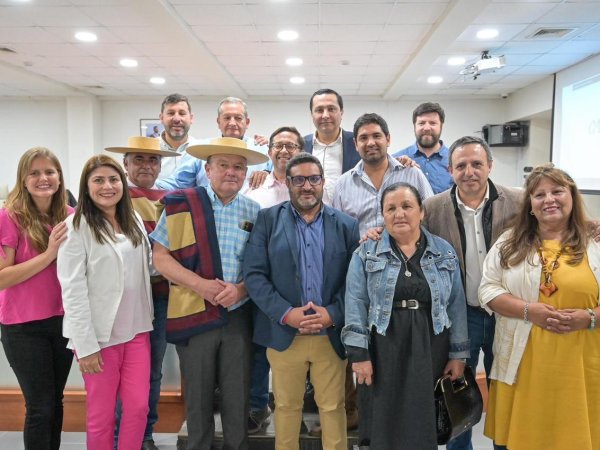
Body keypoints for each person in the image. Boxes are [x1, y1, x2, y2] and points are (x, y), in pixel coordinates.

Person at [151, 137, 268, 450]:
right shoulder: (182, 204)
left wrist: (240, 289)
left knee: (237, 394)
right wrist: (200, 285)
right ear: (208, 169)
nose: (231, 172)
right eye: (223, 165)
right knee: (199, 395)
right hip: (193, 309)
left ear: (246, 173)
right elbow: (160, 257)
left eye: (239, 167)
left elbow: (262, 265)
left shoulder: (255, 211)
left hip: (238, 314)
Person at [479, 164, 600, 450]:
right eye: (539, 195)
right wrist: (528, 311)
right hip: (523, 363)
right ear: (530, 205)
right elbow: (487, 289)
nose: (549, 200)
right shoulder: (509, 242)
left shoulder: (595, 243)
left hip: (581, 364)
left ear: (572, 196)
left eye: (557, 191)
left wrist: (590, 317)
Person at [244, 152, 360, 450]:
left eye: (313, 179)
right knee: (286, 408)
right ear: (288, 183)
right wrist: (286, 313)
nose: (307, 186)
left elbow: (355, 282)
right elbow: (254, 275)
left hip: (329, 334)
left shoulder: (346, 225)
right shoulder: (268, 220)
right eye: (298, 180)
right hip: (284, 334)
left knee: (333, 408)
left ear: (323, 182)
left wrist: (333, 313)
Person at [342, 182, 469, 450]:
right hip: (382, 346)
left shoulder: (444, 252)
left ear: (421, 212)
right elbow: (355, 303)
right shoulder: (366, 252)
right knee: (383, 420)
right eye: (391, 208)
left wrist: (458, 355)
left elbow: (456, 305)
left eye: (407, 206)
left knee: (423, 421)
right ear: (383, 215)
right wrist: (359, 355)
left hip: (431, 344)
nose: (399, 213)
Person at [422, 136, 521, 450]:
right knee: (456, 391)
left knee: (505, 389)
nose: (469, 172)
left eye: (477, 164)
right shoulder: (432, 208)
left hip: (506, 313)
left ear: (489, 165)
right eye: (461, 165)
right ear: (450, 170)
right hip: (461, 315)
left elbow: (554, 220)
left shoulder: (518, 201)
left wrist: (588, 225)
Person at [57, 155, 153, 450]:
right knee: (102, 415)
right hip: (98, 338)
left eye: (113, 179)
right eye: (98, 180)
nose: (107, 186)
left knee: (138, 408)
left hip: (137, 330)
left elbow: (147, 266)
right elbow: (72, 290)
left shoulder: (133, 218)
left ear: (123, 183)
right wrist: (85, 346)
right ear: (86, 187)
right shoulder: (76, 226)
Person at [105, 136, 180, 450]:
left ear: (160, 166)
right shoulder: (112, 198)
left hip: (160, 296)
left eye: (152, 160)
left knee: (152, 369)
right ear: (125, 164)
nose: (146, 166)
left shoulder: (171, 199)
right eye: (138, 159)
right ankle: (119, 435)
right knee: (121, 371)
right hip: (123, 299)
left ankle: (144, 433)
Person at [0, 147, 74, 450]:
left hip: (63, 323)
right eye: (35, 173)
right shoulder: (9, 217)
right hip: (23, 327)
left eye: (49, 172)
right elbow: (2, 277)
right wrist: (49, 254)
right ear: (24, 179)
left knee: (55, 402)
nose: (43, 178)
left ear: (59, 177)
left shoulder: (71, 217)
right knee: (40, 407)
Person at [243, 126, 304, 434]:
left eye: (291, 146)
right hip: (263, 285)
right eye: (278, 145)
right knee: (260, 348)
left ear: (301, 152)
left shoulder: (311, 190)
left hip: (302, 284)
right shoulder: (254, 192)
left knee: (299, 350)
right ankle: (257, 406)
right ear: (269, 153)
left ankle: (296, 410)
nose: (284, 150)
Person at [332, 112, 433, 235]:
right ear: (356, 144)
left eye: (376, 136)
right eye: (363, 138)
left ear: (388, 139)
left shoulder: (413, 174)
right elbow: (337, 231)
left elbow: (431, 217)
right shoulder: (342, 185)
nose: (370, 143)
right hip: (360, 247)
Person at [158, 97, 270, 191]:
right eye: (227, 118)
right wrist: (149, 184)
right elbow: (178, 183)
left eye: (238, 118)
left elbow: (277, 177)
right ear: (218, 122)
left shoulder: (262, 150)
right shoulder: (200, 150)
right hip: (206, 210)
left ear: (247, 122)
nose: (232, 123)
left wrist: (267, 173)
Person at [303, 88, 360, 204]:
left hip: (349, 212)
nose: (325, 115)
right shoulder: (300, 146)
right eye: (319, 110)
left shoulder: (358, 142)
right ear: (312, 115)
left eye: (331, 109)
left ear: (341, 112)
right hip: (310, 212)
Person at [393, 102, 453, 194]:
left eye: (432, 123)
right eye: (421, 123)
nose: (427, 128)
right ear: (414, 126)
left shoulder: (454, 159)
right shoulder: (397, 160)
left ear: (441, 126)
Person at [156, 93, 200, 181]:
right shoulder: (149, 150)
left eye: (182, 113)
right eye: (171, 113)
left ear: (191, 118)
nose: (176, 119)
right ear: (161, 118)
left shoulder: (200, 151)